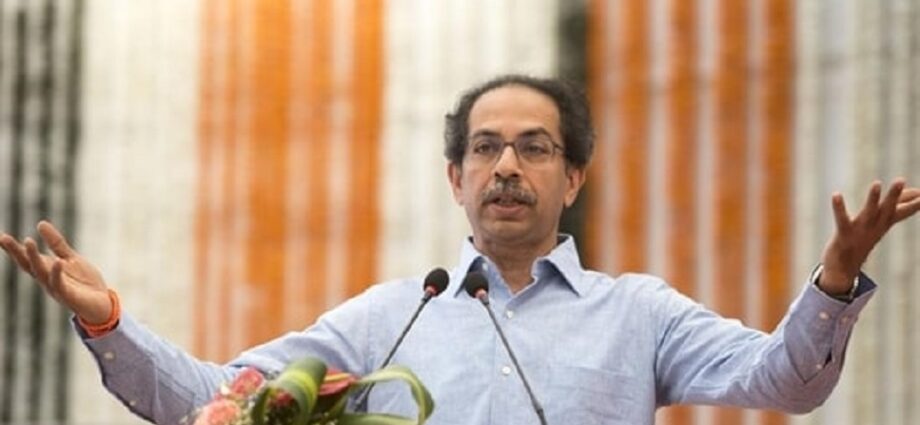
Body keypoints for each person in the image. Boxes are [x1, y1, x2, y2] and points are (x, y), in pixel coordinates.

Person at [2, 75, 919, 425]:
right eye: (485, 148)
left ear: (574, 178)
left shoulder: (638, 312)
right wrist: (111, 320)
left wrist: (835, 279)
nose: (507, 166)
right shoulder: (394, 316)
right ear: (456, 178)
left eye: (535, 147)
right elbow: (222, 400)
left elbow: (783, 382)